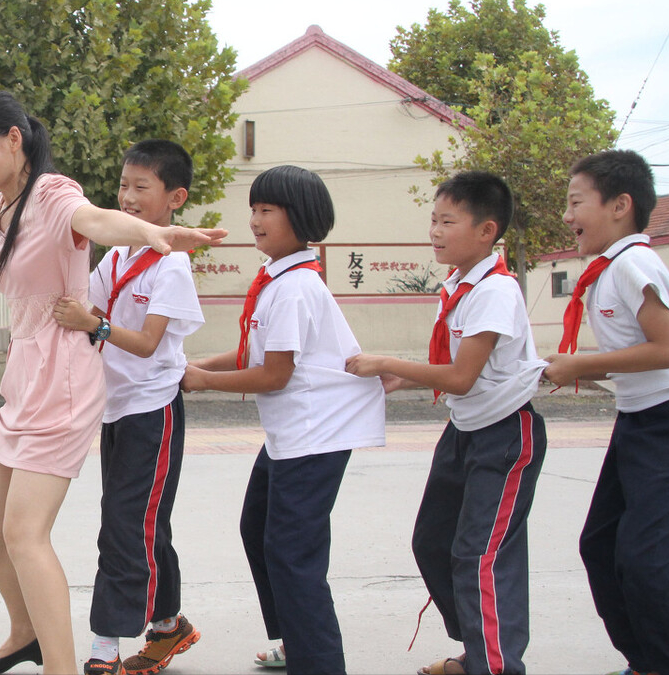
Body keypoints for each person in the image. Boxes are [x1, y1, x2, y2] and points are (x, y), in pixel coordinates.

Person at [0, 91, 225, 675]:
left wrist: (150, 232)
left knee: (24, 532)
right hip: (25, 371)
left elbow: (96, 220)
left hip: (64, 378)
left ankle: (61, 667)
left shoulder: (51, 192)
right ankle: (24, 632)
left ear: (13, 138)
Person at [182, 165, 386, 675]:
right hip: (292, 436)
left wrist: (200, 382)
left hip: (316, 435)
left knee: (294, 555)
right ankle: (297, 639)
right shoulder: (280, 278)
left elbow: (273, 374)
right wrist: (198, 364)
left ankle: (317, 661)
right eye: (253, 208)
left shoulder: (296, 287)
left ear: (300, 218)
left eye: (267, 210)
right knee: (259, 529)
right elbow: (255, 349)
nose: (254, 220)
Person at [346, 171, 547, 675]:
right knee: (433, 541)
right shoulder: (459, 285)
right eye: (433, 220)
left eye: (447, 222)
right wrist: (405, 381)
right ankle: (480, 649)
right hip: (466, 430)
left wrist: (388, 363)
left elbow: (460, 376)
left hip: (505, 435)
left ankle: (493, 665)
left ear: (486, 231)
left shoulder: (495, 291)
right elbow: (468, 372)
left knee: (479, 554)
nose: (434, 231)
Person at [51, 140, 205, 675]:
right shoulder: (115, 255)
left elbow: (145, 344)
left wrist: (93, 324)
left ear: (174, 198)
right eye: (123, 186)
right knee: (143, 522)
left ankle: (105, 643)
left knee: (123, 523)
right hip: (114, 409)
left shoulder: (172, 266)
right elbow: (83, 306)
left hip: (153, 410)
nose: (128, 197)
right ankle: (168, 625)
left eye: (142, 187)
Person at [543, 149, 669, 675]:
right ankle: (643, 659)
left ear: (620, 205)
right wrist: (572, 369)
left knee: (643, 560)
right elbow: (636, 359)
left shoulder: (633, 261)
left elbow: (665, 347)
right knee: (599, 546)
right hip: (636, 421)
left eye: (576, 202)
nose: (567, 216)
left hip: (662, 422)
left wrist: (581, 365)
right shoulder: (608, 268)